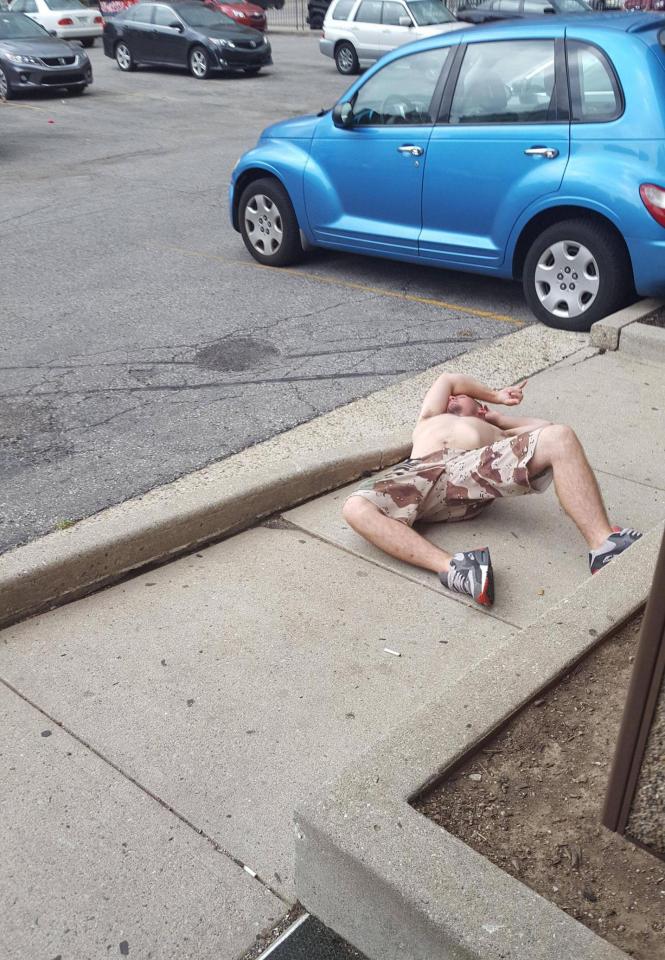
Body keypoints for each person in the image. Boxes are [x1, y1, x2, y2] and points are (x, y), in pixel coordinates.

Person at [342, 372, 641, 607]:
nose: (452, 398)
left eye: (463, 397)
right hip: (415, 474)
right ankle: (456, 568)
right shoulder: (430, 417)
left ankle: (604, 545)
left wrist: (499, 418)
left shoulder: (498, 432)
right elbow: (448, 379)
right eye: (453, 397)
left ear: (481, 409)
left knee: (560, 437)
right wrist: (496, 394)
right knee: (355, 507)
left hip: (471, 471)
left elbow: (546, 428)